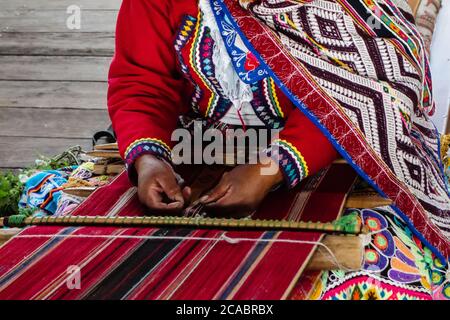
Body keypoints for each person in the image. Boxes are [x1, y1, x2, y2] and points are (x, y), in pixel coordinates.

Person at [108, 0, 450, 299]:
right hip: (203, 156)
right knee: (106, 251)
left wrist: (273, 166)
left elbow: (383, 84)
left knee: (387, 267)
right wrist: (149, 159)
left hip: (337, 156)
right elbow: (141, 81)